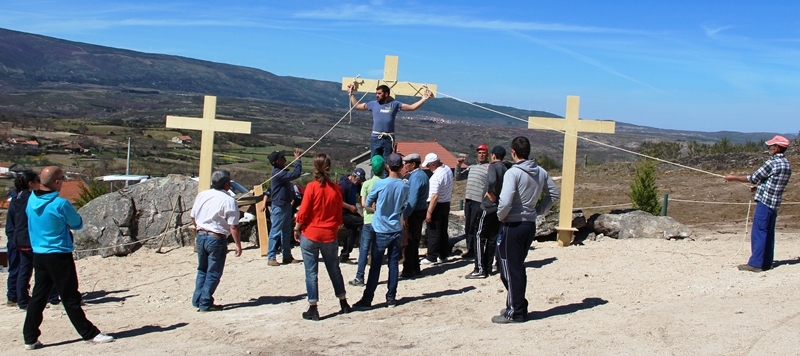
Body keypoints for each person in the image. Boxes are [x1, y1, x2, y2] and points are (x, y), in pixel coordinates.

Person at [23, 166, 114, 350]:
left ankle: (29, 337)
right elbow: (77, 223)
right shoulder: (60, 204)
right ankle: (89, 333)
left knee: (39, 296)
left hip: (39, 253)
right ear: (57, 182)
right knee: (70, 296)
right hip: (58, 254)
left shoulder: (31, 199)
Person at [493, 137, 559, 324]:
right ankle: (515, 303)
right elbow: (554, 194)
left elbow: (505, 201)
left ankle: (516, 311)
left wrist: (500, 215)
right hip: (529, 224)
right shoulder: (541, 172)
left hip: (512, 224)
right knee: (516, 266)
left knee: (508, 269)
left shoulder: (513, 173)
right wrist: (538, 210)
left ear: (513, 152)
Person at [294, 154, 352, 320]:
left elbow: (303, 212)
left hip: (311, 233)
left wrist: (297, 228)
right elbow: (339, 215)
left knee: (311, 272)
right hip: (329, 234)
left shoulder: (312, 187)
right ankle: (343, 302)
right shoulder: (336, 189)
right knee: (334, 269)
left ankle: (313, 307)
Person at [724, 135, 792, 272]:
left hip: (765, 203)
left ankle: (755, 264)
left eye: (771, 146)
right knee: (768, 232)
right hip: (774, 203)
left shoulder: (772, 162)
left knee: (759, 231)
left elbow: (753, 177)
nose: (768, 148)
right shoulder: (786, 164)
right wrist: (759, 187)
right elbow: (775, 182)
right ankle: (766, 263)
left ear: (777, 148)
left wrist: (734, 178)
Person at [353, 153, 410, 309]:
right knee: (393, 264)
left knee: (376, 265)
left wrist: (377, 207)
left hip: (380, 228)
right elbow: (404, 205)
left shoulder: (380, 184)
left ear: (388, 166)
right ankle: (391, 297)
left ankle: (368, 298)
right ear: (400, 167)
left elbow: (368, 202)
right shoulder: (405, 186)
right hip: (396, 228)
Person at [191, 170, 242, 312]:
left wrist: (200, 227)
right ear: (226, 185)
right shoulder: (229, 200)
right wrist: (238, 244)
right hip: (216, 237)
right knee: (213, 272)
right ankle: (205, 302)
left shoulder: (202, 195)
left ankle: (197, 299)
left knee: (202, 269)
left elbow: (193, 216)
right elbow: (233, 225)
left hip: (201, 235)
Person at [8, 172, 60, 310]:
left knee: (24, 270)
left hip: (19, 239)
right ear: (30, 183)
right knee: (45, 268)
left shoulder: (16, 198)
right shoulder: (32, 198)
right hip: (31, 239)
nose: (40, 183)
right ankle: (51, 296)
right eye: (37, 180)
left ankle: (22, 299)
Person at [346, 84, 433, 165]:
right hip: (375, 137)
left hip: (388, 139)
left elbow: (411, 107)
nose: (377, 95)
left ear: (386, 94)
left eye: (379, 93)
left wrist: (424, 99)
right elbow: (357, 106)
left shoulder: (394, 104)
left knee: (387, 164)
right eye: (376, 93)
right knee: (375, 163)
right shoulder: (373, 104)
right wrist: (351, 93)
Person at [467, 146, 508, 279]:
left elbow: (491, 180)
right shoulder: (505, 168)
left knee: (479, 235)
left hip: (488, 206)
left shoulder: (493, 167)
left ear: (493, 155)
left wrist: (490, 191)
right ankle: (489, 266)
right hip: (498, 207)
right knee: (492, 237)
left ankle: (479, 268)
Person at [349, 156, 385, 286]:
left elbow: (363, 203)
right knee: (377, 249)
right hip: (382, 221)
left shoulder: (367, 184)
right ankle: (374, 277)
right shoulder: (386, 182)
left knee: (364, 249)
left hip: (369, 220)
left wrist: (372, 209)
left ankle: (360, 277)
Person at [266, 148, 303, 266]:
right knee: (275, 232)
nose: (285, 159)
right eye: (282, 158)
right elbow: (295, 174)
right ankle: (271, 256)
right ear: (277, 162)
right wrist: (298, 160)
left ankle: (287, 255)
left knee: (286, 232)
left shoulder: (280, 172)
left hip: (285, 205)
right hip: (279, 206)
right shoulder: (277, 173)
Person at [454, 143, 490, 259]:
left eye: (483, 153)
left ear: (487, 154)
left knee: (476, 225)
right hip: (469, 199)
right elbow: (458, 178)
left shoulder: (489, 168)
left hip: (479, 201)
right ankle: (470, 249)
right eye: (479, 153)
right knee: (468, 224)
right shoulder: (472, 167)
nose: (481, 155)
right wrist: (458, 165)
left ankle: (477, 248)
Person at [420, 153, 454, 265]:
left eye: (429, 165)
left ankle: (432, 256)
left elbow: (434, 196)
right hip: (446, 203)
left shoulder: (435, 177)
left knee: (433, 231)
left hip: (436, 205)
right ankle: (443, 254)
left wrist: (429, 212)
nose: (428, 168)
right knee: (443, 230)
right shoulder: (448, 169)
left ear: (434, 164)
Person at [401, 153, 429, 277]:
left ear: (413, 164)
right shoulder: (422, 175)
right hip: (421, 210)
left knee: (408, 241)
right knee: (415, 240)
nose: (404, 165)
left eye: (406, 163)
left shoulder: (416, 177)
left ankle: (408, 269)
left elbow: (412, 199)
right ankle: (415, 267)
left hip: (414, 212)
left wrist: (405, 215)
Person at [339, 168, 366, 264]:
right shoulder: (344, 185)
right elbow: (338, 201)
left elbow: (361, 194)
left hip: (351, 211)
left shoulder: (356, 185)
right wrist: (350, 207)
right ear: (354, 176)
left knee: (351, 232)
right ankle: (363, 248)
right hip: (344, 212)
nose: (359, 182)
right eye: (359, 180)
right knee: (363, 222)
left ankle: (344, 255)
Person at [5, 188, 19, 307]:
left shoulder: (15, 199)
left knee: (17, 269)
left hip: (14, 238)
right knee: (17, 269)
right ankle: (13, 295)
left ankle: (15, 295)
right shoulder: (18, 202)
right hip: (16, 240)